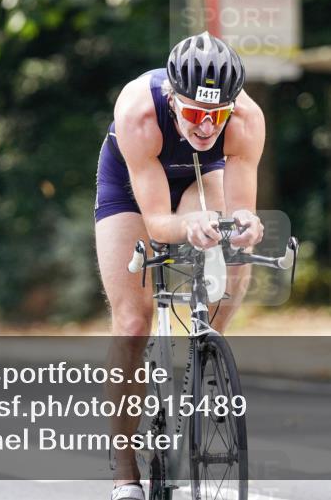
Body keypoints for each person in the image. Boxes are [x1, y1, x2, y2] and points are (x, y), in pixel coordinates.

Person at [94, 31, 265, 500]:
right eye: (193, 113)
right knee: (132, 321)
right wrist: (186, 226)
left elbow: (240, 206)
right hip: (132, 190)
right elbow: (157, 222)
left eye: (216, 115)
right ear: (172, 99)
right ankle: (125, 469)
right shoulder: (139, 112)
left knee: (228, 239)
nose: (206, 126)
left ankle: (205, 348)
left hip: (197, 175)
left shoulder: (246, 119)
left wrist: (245, 224)